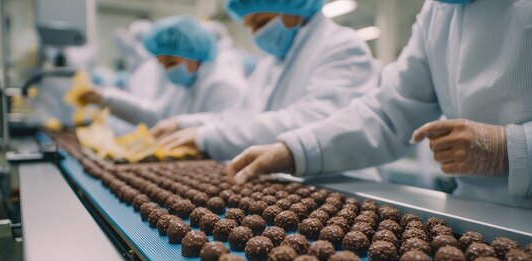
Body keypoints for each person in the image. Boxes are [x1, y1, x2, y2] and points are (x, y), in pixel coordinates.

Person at [227, 0, 532, 216]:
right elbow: (388, 113)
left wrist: (520, 149)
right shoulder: (438, 11)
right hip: (473, 214)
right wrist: (295, 150)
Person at [153, 0, 380, 165]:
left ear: (294, 6)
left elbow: (311, 122)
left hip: (340, 181)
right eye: (249, 25)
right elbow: (241, 115)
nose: (254, 33)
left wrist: (207, 137)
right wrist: (183, 124)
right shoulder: (270, 63)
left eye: (261, 22)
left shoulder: (341, 47)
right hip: (289, 178)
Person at [78, 16, 246, 128]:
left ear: (194, 55)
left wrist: (180, 124)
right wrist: (106, 98)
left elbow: (226, 130)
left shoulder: (223, 84)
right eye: (161, 64)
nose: (167, 70)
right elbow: (158, 115)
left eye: (171, 62)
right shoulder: (186, 82)